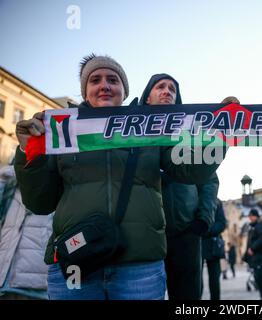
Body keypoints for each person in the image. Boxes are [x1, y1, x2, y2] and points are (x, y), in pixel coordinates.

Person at [13, 54, 219, 300]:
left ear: (124, 90)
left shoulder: (149, 129)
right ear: (85, 90)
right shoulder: (60, 131)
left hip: (139, 270)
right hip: (77, 266)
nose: (104, 85)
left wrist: (216, 136)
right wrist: (28, 152)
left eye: (113, 79)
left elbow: (191, 170)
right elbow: (39, 202)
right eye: (95, 80)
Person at [139, 73, 219, 300]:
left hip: (187, 232)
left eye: (172, 89)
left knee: (188, 298)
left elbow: (210, 179)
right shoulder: (131, 132)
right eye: (160, 87)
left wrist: (203, 218)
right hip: (145, 233)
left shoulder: (190, 133)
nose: (167, 91)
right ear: (147, 97)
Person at [0, 165, 52, 300]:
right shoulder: (12, 183)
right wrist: (1, 180)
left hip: (36, 285)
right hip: (5, 280)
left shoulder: (58, 187)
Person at [201, 199, 227, 300]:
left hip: (213, 245)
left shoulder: (217, 202)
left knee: (214, 279)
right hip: (198, 244)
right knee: (197, 280)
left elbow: (222, 223)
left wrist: (206, 230)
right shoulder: (193, 196)